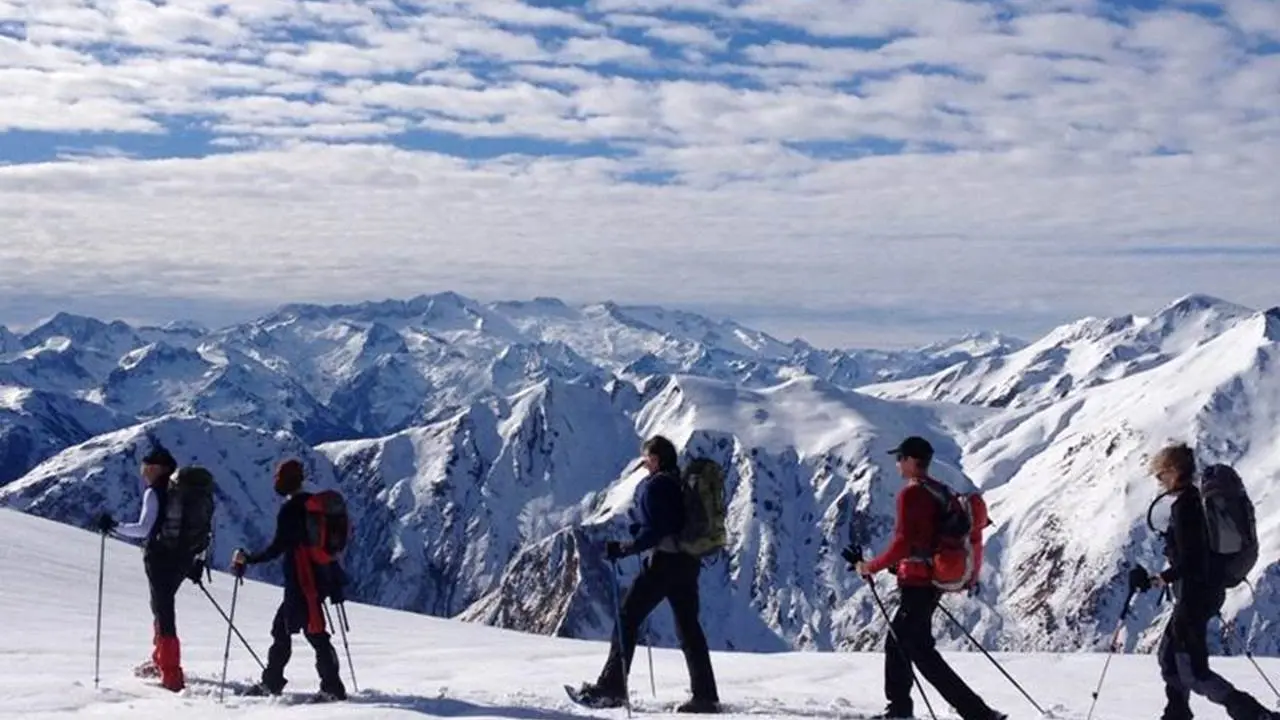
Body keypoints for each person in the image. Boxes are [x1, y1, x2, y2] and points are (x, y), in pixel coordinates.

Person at [854, 436, 1005, 720]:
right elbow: (925, 543)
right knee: (905, 644)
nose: (897, 463)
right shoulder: (940, 491)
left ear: (912, 461)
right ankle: (905, 709)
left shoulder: (911, 494)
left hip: (918, 584)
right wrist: (899, 567)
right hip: (929, 580)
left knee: (917, 650)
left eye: (900, 457)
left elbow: (904, 542)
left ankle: (975, 713)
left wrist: (870, 566)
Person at [571, 435, 720, 713]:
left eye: (648, 458)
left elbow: (657, 530)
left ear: (657, 459)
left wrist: (626, 547)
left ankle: (612, 687)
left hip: (665, 562)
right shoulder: (679, 483)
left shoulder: (657, 487)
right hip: (689, 562)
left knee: (627, 616)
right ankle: (706, 696)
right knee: (689, 628)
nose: (644, 463)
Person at [1145, 443, 1278, 720]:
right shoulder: (1195, 502)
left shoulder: (1186, 507)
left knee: (1192, 670)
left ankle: (1255, 715)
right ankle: (1176, 713)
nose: (1159, 482)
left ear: (1173, 471)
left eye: (1160, 475)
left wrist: (1162, 577)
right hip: (1202, 593)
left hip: (1196, 596)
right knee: (1169, 658)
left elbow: (1190, 558)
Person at [231, 459, 347, 702]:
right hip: (321, 577)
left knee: (302, 632)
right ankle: (324, 685)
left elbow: (277, 547)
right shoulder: (313, 505)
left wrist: (249, 559)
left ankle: (284, 685)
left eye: (278, 478)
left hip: (302, 581)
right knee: (307, 630)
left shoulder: (291, 510)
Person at [95, 443, 196, 692]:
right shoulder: (181, 492)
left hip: (160, 558)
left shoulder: (155, 492)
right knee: (162, 607)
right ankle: (161, 661)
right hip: (183, 558)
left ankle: (171, 673)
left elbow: (143, 529)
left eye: (146, 466)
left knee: (163, 611)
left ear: (157, 468)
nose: (143, 471)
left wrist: (114, 526)